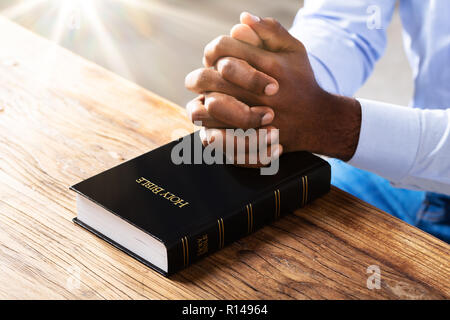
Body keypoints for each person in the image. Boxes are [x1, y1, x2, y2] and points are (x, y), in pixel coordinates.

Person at [184, 1, 450, 243]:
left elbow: (329, 122)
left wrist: (333, 123)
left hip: (408, 157)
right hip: (403, 175)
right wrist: (277, 85)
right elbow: (341, 19)